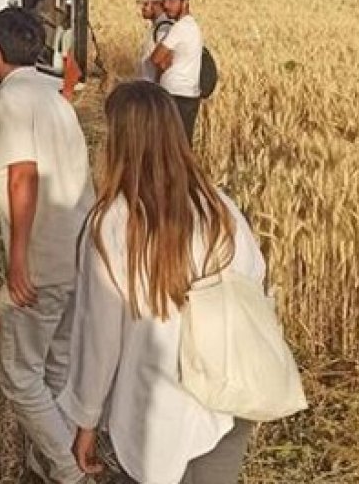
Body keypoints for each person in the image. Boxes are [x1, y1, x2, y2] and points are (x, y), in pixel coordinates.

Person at [60, 80, 264, 484]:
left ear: (118, 142)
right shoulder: (220, 209)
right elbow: (255, 287)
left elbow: (99, 337)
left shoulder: (111, 224)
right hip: (224, 404)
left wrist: (85, 419)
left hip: (150, 411)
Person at [0, 7, 95, 484]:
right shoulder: (54, 98)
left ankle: (70, 473)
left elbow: (22, 175)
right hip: (77, 253)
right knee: (57, 366)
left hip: (42, 259)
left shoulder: (11, 100)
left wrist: (17, 260)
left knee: (20, 377)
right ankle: (50, 463)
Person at [148, 0, 204, 142]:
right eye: (165, 0)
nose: (166, 5)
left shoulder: (179, 28)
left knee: (167, 145)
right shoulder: (193, 26)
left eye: (172, 1)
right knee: (183, 145)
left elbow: (156, 58)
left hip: (174, 95)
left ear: (185, 2)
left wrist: (164, 62)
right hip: (189, 94)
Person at [136, 0, 171, 83]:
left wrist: (157, 88)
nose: (142, 8)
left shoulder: (164, 28)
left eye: (146, 4)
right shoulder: (157, 27)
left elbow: (164, 62)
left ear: (157, 5)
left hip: (154, 89)